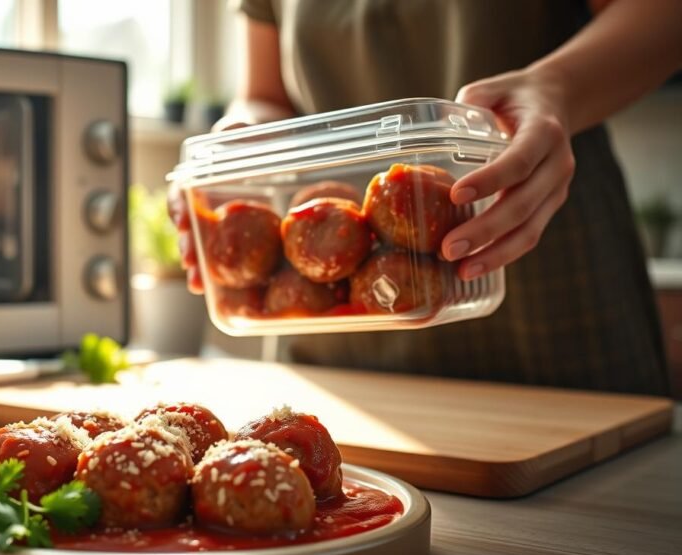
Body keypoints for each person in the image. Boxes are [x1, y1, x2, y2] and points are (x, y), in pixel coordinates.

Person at [170, 0, 682, 396]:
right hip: (335, 327)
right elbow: (266, 93)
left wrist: (557, 90)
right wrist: (235, 145)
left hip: (546, 293)